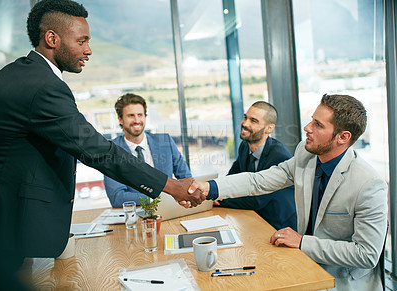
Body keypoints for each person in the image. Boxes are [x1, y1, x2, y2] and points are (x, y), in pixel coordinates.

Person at [0, 1, 203, 289]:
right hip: (7, 224)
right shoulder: (43, 86)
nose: (88, 50)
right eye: (81, 41)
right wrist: (171, 186)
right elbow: (97, 150)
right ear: (52, 39)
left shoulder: (21, 73)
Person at [189, 94, 388, 290]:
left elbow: (366, 254)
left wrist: (302, 242)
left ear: (343, 137)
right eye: (311, 120)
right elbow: (259, 181)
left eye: (318, 125)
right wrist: (209, 187)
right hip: (302, 262)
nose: (307, 128)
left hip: (343, 280)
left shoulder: (369, 184)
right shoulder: (306, 153)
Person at [215, 101, 296, 230]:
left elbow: (257, 200)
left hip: (279, 225)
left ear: (269, 128)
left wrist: (219, 199)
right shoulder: (244, 146)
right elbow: (232, 177)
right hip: (255, 218)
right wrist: (217, 190)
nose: (245, 123)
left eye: (253, 121)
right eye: (245, 117)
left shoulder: (279, 156)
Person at [104, 93, 191, 208]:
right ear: (120, 119)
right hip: (136, 213)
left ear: (145, 117)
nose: (136, 120)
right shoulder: (111, 150)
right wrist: (160, 198)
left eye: (140, 115)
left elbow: (186, 178)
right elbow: (117, 197)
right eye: (131, 115)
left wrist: (201, 195)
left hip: (169, 210)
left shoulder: (165, 141)